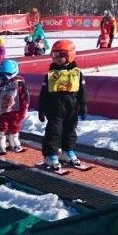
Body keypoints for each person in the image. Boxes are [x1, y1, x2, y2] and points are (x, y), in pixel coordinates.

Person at [37, 39, 87, 171]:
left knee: (70, 131)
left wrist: (83, 105)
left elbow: (82, 91)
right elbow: (43, 92)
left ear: (70, 55)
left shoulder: (77, 74)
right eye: (55, 55)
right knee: (54, 132)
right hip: (54, 109)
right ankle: (50, 155)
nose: (58, 59)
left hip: (71, 108)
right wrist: (41, 108)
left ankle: (67, 151)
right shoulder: (51, 75)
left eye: (61, 55)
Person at [0, 59, 29, 155]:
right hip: (3, 111)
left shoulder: (19, 83)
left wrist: (24, 109)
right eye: (2, 75)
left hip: (15, 110)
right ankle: (1, 145)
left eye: (7, 74)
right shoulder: (0, 85)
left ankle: (14, 144)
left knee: (14, 126)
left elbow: (24, 97)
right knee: (2, 127)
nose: (5, 77)